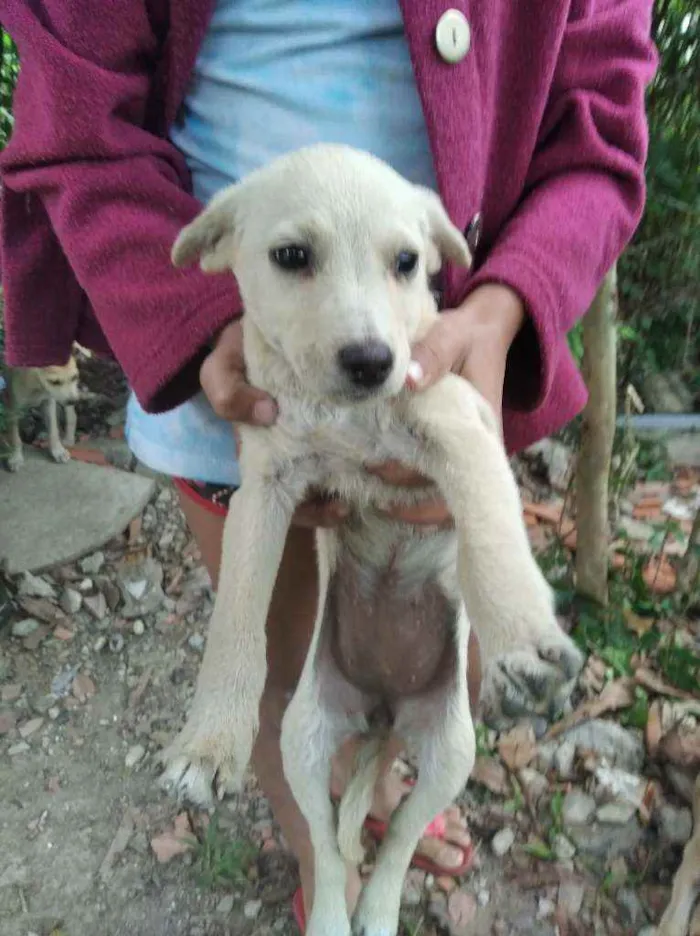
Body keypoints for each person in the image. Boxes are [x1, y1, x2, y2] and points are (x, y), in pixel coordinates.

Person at [0, 0, 656, 928]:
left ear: (432, 257)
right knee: (284, 672)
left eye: (403, 263)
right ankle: (319, 852)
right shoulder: (214, 259)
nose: (361, 332)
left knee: (438, 674)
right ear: (219, 250)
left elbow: (600, 119)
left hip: (459, 347)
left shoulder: (412, 329)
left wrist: (510, 298)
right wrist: (185, 314)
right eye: (295, 257)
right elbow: (75, 120)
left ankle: (387, 794)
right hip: (224, 366)